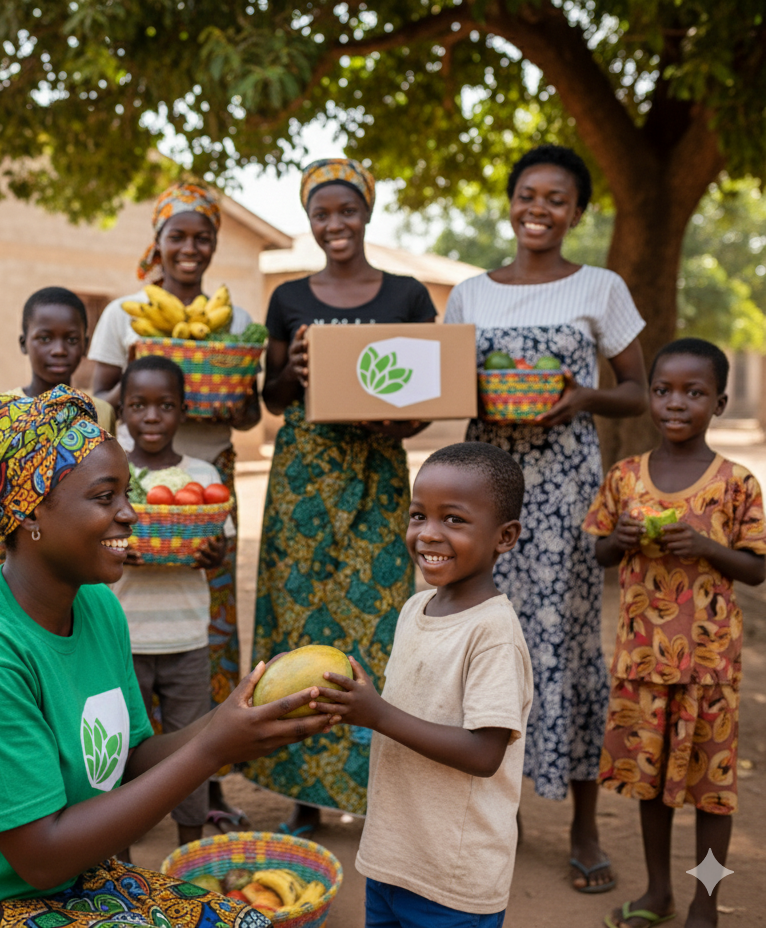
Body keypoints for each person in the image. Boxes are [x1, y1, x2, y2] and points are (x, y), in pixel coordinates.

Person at [0, 386, 337, 928]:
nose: (130, 513)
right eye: (105, 497)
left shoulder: (98, 605)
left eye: (126, 493)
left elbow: (127, 762)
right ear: (30, 515)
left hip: (51, 887)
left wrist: (234, 720)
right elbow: (42, 855)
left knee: (243, 922)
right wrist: (213, 751)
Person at [443, 144, 649, 892]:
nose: (539, 209)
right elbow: (442, 386)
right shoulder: (469, 293)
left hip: (564, 490)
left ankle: (584, 827)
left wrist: (584, 396)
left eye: (556, 199)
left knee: (565, 646)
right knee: (485, 638)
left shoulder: (601, 286)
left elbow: (641, 391)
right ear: (510, 201)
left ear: (577, 212)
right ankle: (502, 814)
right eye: (527, 194)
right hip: (486, 482)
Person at [247, 158, 437, 835]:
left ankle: (371, 787)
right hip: (303, 479)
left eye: (347, 210)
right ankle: (304, 792)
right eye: (322, 213)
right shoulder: (288, 297)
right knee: (299, 630)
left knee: (378, 628)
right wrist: (293, 373)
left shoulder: (409, 296)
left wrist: (396, 421)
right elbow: (268, 399)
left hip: (379, 473)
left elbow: (424, 403)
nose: (335, 224)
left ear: (366, 211)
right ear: (309, 220)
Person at [88, 182, 259, 830]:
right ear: (157, 241)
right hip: (133, 478)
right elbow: (99, 386)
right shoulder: (126, 312)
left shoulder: (235, 319)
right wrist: (150, 375)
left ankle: (203, 793)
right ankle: (135, 796)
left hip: (206, 476)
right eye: (178, 235)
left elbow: (248, 407)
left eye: (202, 236)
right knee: (128, 626)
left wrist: (224, 397)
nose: (190, 248)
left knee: (206, 629)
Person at [582, 338, 766, 928]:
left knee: (712, 792)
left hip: (711, 668)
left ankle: (704, 901)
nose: (675, 403)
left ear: (719, 402)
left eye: (694, 392)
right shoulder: (625, 477)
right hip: (642, 663)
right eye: (662, 391)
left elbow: (758, 568)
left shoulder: (737, 483)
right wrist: (622, 541)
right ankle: (658, 891)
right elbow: (600, 552)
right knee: (650, 783)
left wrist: (709, 547)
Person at [313, 441, 533, 928]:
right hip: (393, 858)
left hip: (451, 880)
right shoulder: (416, 608)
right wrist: (357, 705)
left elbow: (484, 753)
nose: (429, 534)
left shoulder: (493, 633)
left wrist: (379, 715)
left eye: (453, 520)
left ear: (505, 536)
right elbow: (409, 706)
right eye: (418, 516)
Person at [112, 356, 232, 851]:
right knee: (117, 750)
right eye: (138, 406)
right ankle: (113, 855)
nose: (152, 417)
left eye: (165, 406)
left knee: (192, 747)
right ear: (122, 412)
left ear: (183, 410)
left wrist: (211, 553)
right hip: (121, 637)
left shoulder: (202, 474)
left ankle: (190, 851)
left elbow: (218, 545)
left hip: (185, 636)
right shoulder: (111, 470)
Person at [15, 286, 115, 431]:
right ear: (24, 344)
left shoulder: (101, 412)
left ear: (85, 345)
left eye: (72, 340)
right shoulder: (2, 410)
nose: (59, 351)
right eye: (45, 338)